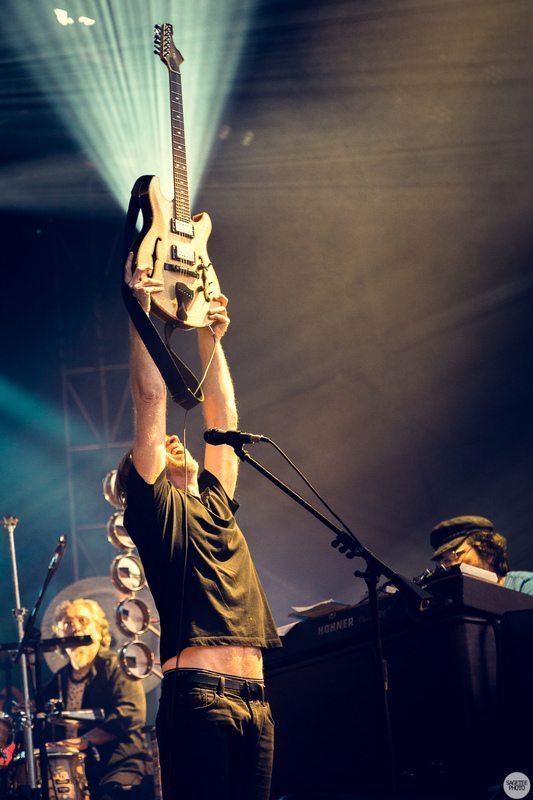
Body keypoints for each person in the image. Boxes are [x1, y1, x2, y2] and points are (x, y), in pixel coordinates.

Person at [117, 253, 282, 800]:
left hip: (256, 700)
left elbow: (224, 421)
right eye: (157, 450)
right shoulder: (157, 514)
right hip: (199, 698)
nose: (172, 442)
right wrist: (141, 311)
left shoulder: (216, 504)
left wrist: (212, 337)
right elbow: (151, 399)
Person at [47, 598, 151, 800]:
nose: (75, 627)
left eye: (83, 620)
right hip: (75, 772)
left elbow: (131, 714)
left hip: (120, 766)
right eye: (68, 622)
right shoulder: (58, 679)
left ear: (98, 628)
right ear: (59, 633)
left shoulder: (117, 666)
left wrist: (83, 741)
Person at [429, 515, 533, 594]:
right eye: (446, 561)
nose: (449, 566)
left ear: (488, 553)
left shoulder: (525, 586)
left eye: (455, 555)